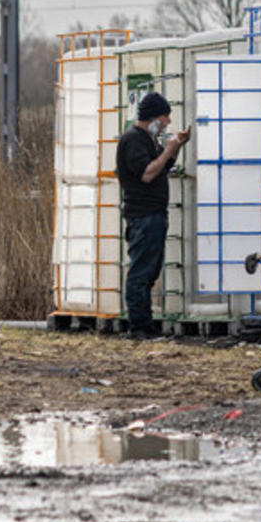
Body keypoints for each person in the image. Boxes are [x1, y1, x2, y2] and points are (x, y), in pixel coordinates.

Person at [116, 92, 190, 340]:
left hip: (154, 215)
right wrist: (168, 149)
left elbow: (163, 166)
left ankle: (144, 324)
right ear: (153, 117)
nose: (168, 121)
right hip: (143, 215)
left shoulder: (148, 139)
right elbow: (147, 173)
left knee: (149, 271)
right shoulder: (133, 140)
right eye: (165, 116)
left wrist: (175, 147)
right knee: (140, 272)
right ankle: (138, 327)